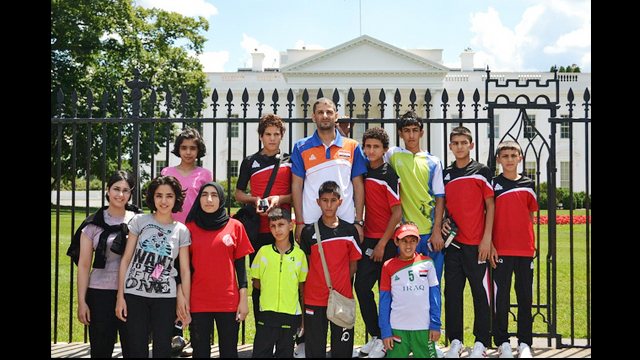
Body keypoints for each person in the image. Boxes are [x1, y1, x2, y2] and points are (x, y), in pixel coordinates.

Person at [115, 174, 192, 358]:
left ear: (176, 198)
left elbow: (184, 270)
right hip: (135, 295)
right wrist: (120, 296)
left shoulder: (181, 230)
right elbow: (126, 259)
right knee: (137, 348)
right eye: (159, 195)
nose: (164, 201)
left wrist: (185, 303)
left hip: (165, 298)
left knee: (163, 350)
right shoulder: (140, 221)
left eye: (169, 196)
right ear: (152, 197)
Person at [73, 170, 142, 358]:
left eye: (126, 190)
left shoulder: (140, 221)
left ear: (131, 194)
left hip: (132, 293)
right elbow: (84, 265)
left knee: (134, 348)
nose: (120, 195)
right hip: (99, 293)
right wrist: (82, 302)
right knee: (101, 349)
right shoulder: (92, 224)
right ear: (108, 190)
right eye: (116, 189)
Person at [441, 126, 495, 358]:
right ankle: (455, 340)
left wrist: (487, 239)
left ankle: (482, 341)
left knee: (480, 294)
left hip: (477, 245)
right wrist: (443, 221)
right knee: (452, 293)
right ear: (451, 146)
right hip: (453, 245)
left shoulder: (482, 171)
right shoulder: (446, 174)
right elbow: (443, 204)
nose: (460, 146)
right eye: (456, 143)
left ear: (471, 145)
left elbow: (491, 205)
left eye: (464, 142)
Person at [185, 181, 254, 358]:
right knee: (200, 352)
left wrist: (243, 300)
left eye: (214, 195)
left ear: (222, 199)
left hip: (228, 301)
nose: (209, 199)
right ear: (199, 199)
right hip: (198, 301)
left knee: (229, 351)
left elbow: (241, 268)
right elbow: (184, 270)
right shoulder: (188, 229)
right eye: (204, 195)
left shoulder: (235, 226)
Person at [235, 113, 292, 324]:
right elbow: (238, 193)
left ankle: (285, 329)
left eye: (276, 134)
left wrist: (279, 198)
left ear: (281, 136)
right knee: (259, 281)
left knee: (285, 280)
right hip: (257, 231)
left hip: (284, 229)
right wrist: (254, 199)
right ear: (261, 136)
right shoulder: (250, 161)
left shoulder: (290, 160)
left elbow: (298, 194)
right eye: (268, 134)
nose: (272, 138)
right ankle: (262, 328)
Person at [299, 181, 362, 359]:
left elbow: (354, 265)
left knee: (342, 351)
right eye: (325, 200)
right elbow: (309, 265)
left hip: (341, 298)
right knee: (315, 349)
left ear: (340, 202)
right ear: (318, 202)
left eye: (333, 200)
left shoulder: (350, 231)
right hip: (314, 299)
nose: (328, 205)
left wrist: (339, 283)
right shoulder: (308, 232)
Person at [291, 97, 367, 243]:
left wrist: (358, 221)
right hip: (311, 221)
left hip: (346, 220)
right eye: (320, 112)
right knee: (313, 266)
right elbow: (296, 186)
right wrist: (300, 222)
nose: (325, 116)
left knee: (346, 266)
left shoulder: (352, 146)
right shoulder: (301, 147)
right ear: (314, 117)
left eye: (329, 112)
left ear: (336, 116)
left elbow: (358, 186)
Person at [355, 127, 402, 358]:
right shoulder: (363, 171)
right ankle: (375, 335)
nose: (371, 150)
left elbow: (397, 213)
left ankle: (387, 340)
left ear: (385, 149)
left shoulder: (388, 174)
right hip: (368, 240)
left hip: (388, 242)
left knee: (387, 292)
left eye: (376, 147)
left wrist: (383, 243)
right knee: (362, 288)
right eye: (368, 146)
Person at [384, 110, 446, 283]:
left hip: (429, 233)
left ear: (421, 132)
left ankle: (434, 312)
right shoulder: (393, 154)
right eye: (406, 130)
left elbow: (440, 197)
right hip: (405, 234)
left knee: (432, 283)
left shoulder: (434, 161)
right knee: (408, 285)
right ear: (400, 133)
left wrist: (437, 231)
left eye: (415, 130)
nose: (411, 135)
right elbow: (370, 153)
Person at [490, 141, 537, 358]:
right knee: (502, 298)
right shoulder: (493, 184)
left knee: (525, 296)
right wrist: (490, 243)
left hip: (524, 249)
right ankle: (502, 342)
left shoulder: (529, 184)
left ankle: (525, 343)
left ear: (520, 157)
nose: (509, 159)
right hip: (500, 249)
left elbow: (530, 216)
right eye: (505, 155)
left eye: (513, 155)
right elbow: (487, 216)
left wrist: (529, 242)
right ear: (498, 159)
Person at [250, 207, 308, 358]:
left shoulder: (300, 255)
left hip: (290, 316)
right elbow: (257, 284)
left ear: (291, 225)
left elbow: (302, 290)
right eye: (273, 226)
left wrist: (302, 321)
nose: (277, 229)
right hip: (267, 316)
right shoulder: (263, 252)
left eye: (281, 225)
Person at [379, 221, 441, 358]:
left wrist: (435, 325)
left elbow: (435, 297)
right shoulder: (388, 266)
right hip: (397, 329)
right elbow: (384, 301)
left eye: (412, 241)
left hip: (423, 328)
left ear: (418, 241)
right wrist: (386, 331)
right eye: (404, 241)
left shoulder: (428, 264)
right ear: (396, 242)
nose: (408, 245)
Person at [161, 126, 213, 224]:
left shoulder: (205, 174)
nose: (188, 152)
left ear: (198, 150)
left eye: (192, 148)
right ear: (178, 149)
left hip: (196, 224)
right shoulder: (167, 172)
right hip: (169, 224)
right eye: (184, 148)